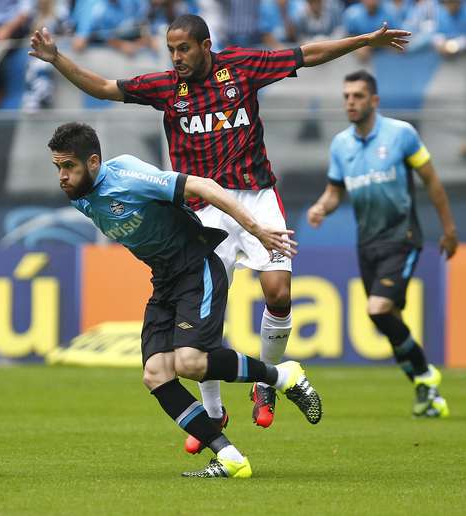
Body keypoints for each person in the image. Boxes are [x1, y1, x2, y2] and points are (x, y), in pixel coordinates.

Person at [29, 14, 410, 447]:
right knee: (203, 312)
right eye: (171, 50)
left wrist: (365, 40)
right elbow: (105, 88)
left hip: (255, 194)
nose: (176, 58)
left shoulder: (242, 67)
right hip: (203, 206)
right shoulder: (168, 88)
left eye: (184, 49)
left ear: (205, 45)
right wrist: (57, 58)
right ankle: (213, 415)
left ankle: (266, 383)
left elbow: (308, 54)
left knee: (279, 292)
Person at [48, 121, 322, 478]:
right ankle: (229, 458)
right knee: (156, 373)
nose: (62, 176)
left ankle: (280, 375)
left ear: (95, 162)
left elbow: (204, 186)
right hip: (165, 281)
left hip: (197, 266)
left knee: (190, 361)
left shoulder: (127, 176)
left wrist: (256, 230)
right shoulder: (82, 199)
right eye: (58, 168)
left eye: (69, 166)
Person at [307, 70, 456, 418]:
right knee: (385, 318)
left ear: (373, 100)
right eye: (346, 96)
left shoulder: (401, 134)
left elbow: (432, 181)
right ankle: (424, 386)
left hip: (401, 237)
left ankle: (423, 374)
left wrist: (448, 229)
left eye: (358, 96)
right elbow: (334, 192)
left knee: (377, 309)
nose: (350, 102)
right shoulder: (341, 144)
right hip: (367, 243)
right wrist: (320, 208)